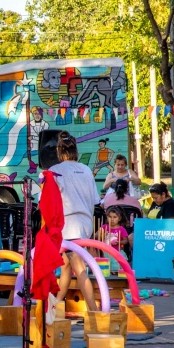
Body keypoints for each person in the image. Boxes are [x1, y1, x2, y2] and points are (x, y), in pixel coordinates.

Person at [49, 131, 100, 311]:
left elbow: (46, 200)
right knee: (65, 266)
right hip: (84, 222)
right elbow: (95, 200)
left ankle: (95, 311)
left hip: (68, 226)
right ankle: (55, 306)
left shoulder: (55, 171)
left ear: (59, 151)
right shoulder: (86, 170)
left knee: (79, 268)